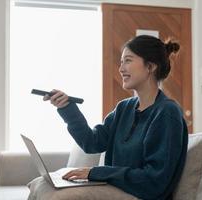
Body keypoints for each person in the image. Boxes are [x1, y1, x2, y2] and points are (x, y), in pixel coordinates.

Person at [43, 35, 188, 200]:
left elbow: (154, 181)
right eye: (121, 62)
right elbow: (91, 142)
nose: (121, 69)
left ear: (150, 66)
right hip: (116, 193)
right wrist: (67, 108)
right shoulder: (124, 108)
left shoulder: (167, 113)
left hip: (142, 196)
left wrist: (97, 173)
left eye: (128, 60)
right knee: (45, 186)